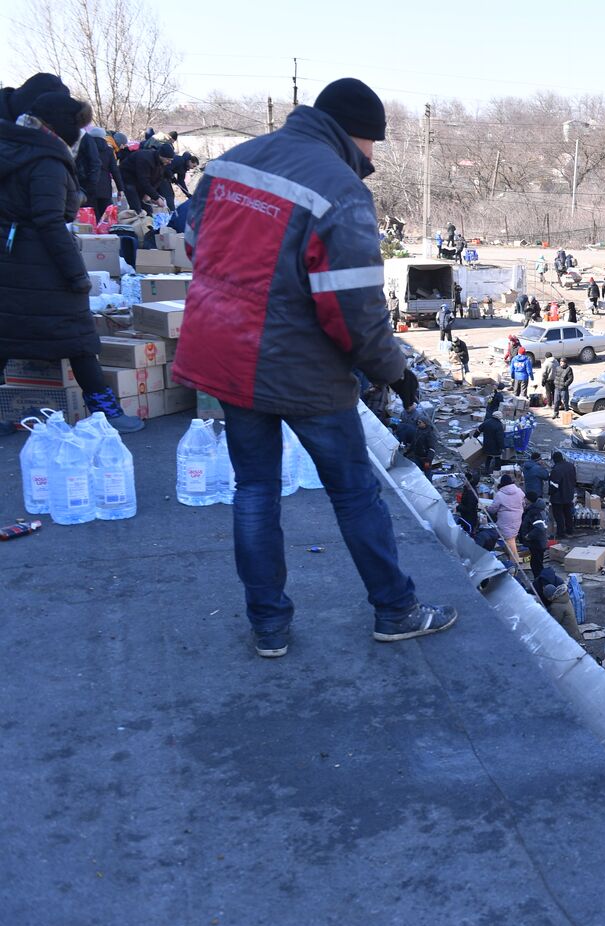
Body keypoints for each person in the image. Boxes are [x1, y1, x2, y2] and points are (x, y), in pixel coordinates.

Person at [172, 77, 457, 656]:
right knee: (354, 493)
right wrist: (391, 368)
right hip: (299, 369)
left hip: (224, 354)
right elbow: (353, 308)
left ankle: (268, 626)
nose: (374, 159)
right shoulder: (340, 188)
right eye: (375, 146)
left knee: (254, 489)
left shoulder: (231, 162)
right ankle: (396, 610)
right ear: (360, 136)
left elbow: (195, 245)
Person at [0, 89, 144, 435]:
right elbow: (49, 220)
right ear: (63, 128)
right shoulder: (45, 159)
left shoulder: (13, 149)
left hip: (10, 258)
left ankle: (101, 406)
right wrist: (75, 274)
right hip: (41, 262)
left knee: (5, 332)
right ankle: (103, 408)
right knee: (78, 334)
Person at [120, 140, 173, 211]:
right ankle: (135, 214)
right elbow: (144, 181)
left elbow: (159, 179)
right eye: (168, 159)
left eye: (171, 160)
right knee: (136, 206)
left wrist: (149, 194)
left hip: (140, 180)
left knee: (147, 209)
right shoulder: (145, 159)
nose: (170, 162)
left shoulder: (162, 163)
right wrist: (156, 198)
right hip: (128, 177)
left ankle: (147, 216)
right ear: (161, 155)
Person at [488, 475, 526, 561]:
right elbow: (523, 504)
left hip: (505, 520)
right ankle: (510, 555)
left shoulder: (500, 494)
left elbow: (493, 509)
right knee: (511, 537)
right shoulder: (519, 491)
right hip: (517, 517)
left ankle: (515, 561)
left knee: (510, 540)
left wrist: (487, 509)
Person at [548, 450, 578, 536]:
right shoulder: (571, 466)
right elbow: (574, 480)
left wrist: (550, 493)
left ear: (555, 459)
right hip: (569, 494)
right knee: (568, 513)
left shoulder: (556, 469)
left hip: (558, 497)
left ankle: (561, 532)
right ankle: (570, 530)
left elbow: (554, 485)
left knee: (559, 515)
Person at [521, 491, 550, 578]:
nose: (524, 499)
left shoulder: (534, 512)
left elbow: (539, 528)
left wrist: (528, 536)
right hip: (540, 541)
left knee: (536, 564)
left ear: (529, 500)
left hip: (536, 542)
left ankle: (539, 580)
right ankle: (540, 579)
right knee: (537, 562)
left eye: (525, 498)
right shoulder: (538, 509)